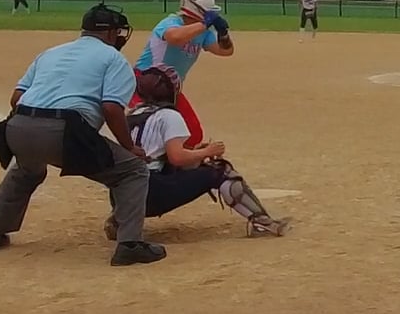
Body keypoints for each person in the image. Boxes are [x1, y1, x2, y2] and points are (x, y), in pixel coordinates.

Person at [0, 4, 165, 266]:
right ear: (111, 33)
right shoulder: (114, 59)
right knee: (133, 171)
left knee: (27, 170)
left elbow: (16, 98)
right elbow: (111, 108)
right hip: (64, 130)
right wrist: (129, 147)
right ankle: (130, 244)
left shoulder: (51, 53)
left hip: (16, 128)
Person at [121, 65, 289, 238]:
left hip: (124, 196)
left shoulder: (132, 114)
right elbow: (177, 157)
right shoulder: (168, 115)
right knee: (221, 170)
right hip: (151, 193)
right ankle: (262, 223)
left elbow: (156, 155)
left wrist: (194, 153)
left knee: (149, 171)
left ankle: (120, 220)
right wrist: (207, 152)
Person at [133, 0, 234, 145]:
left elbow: (225, 51)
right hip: (145, 84)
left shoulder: (204, 32)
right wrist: (204, 24)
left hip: (170, 89)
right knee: (148, 128)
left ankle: (176, 158)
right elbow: (175, 37)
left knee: (193, 134)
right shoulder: (170, 23)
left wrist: (223, 33)